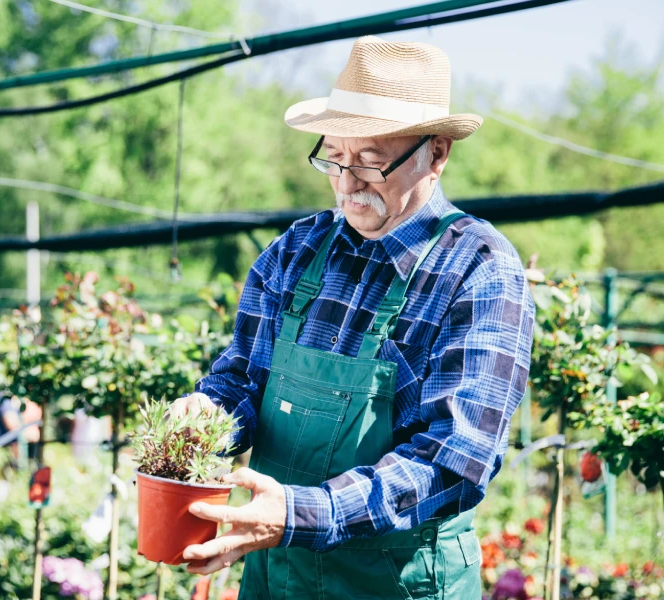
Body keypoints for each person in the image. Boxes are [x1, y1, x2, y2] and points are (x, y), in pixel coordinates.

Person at [171, 37, 536, 598]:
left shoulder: (479, 271)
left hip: (398, 582)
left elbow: (453, 462)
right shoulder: (297, 251)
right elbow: (243, 378)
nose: (346, 183)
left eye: (369, 161)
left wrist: (297, 513)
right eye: (334, 157)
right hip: (277, 576)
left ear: (436, 153)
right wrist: (205, 419)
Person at [0, 391, 42, 466]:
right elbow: (12, 425)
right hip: (12, 449)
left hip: (28, 450)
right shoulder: (7, 400)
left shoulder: (29, 398)